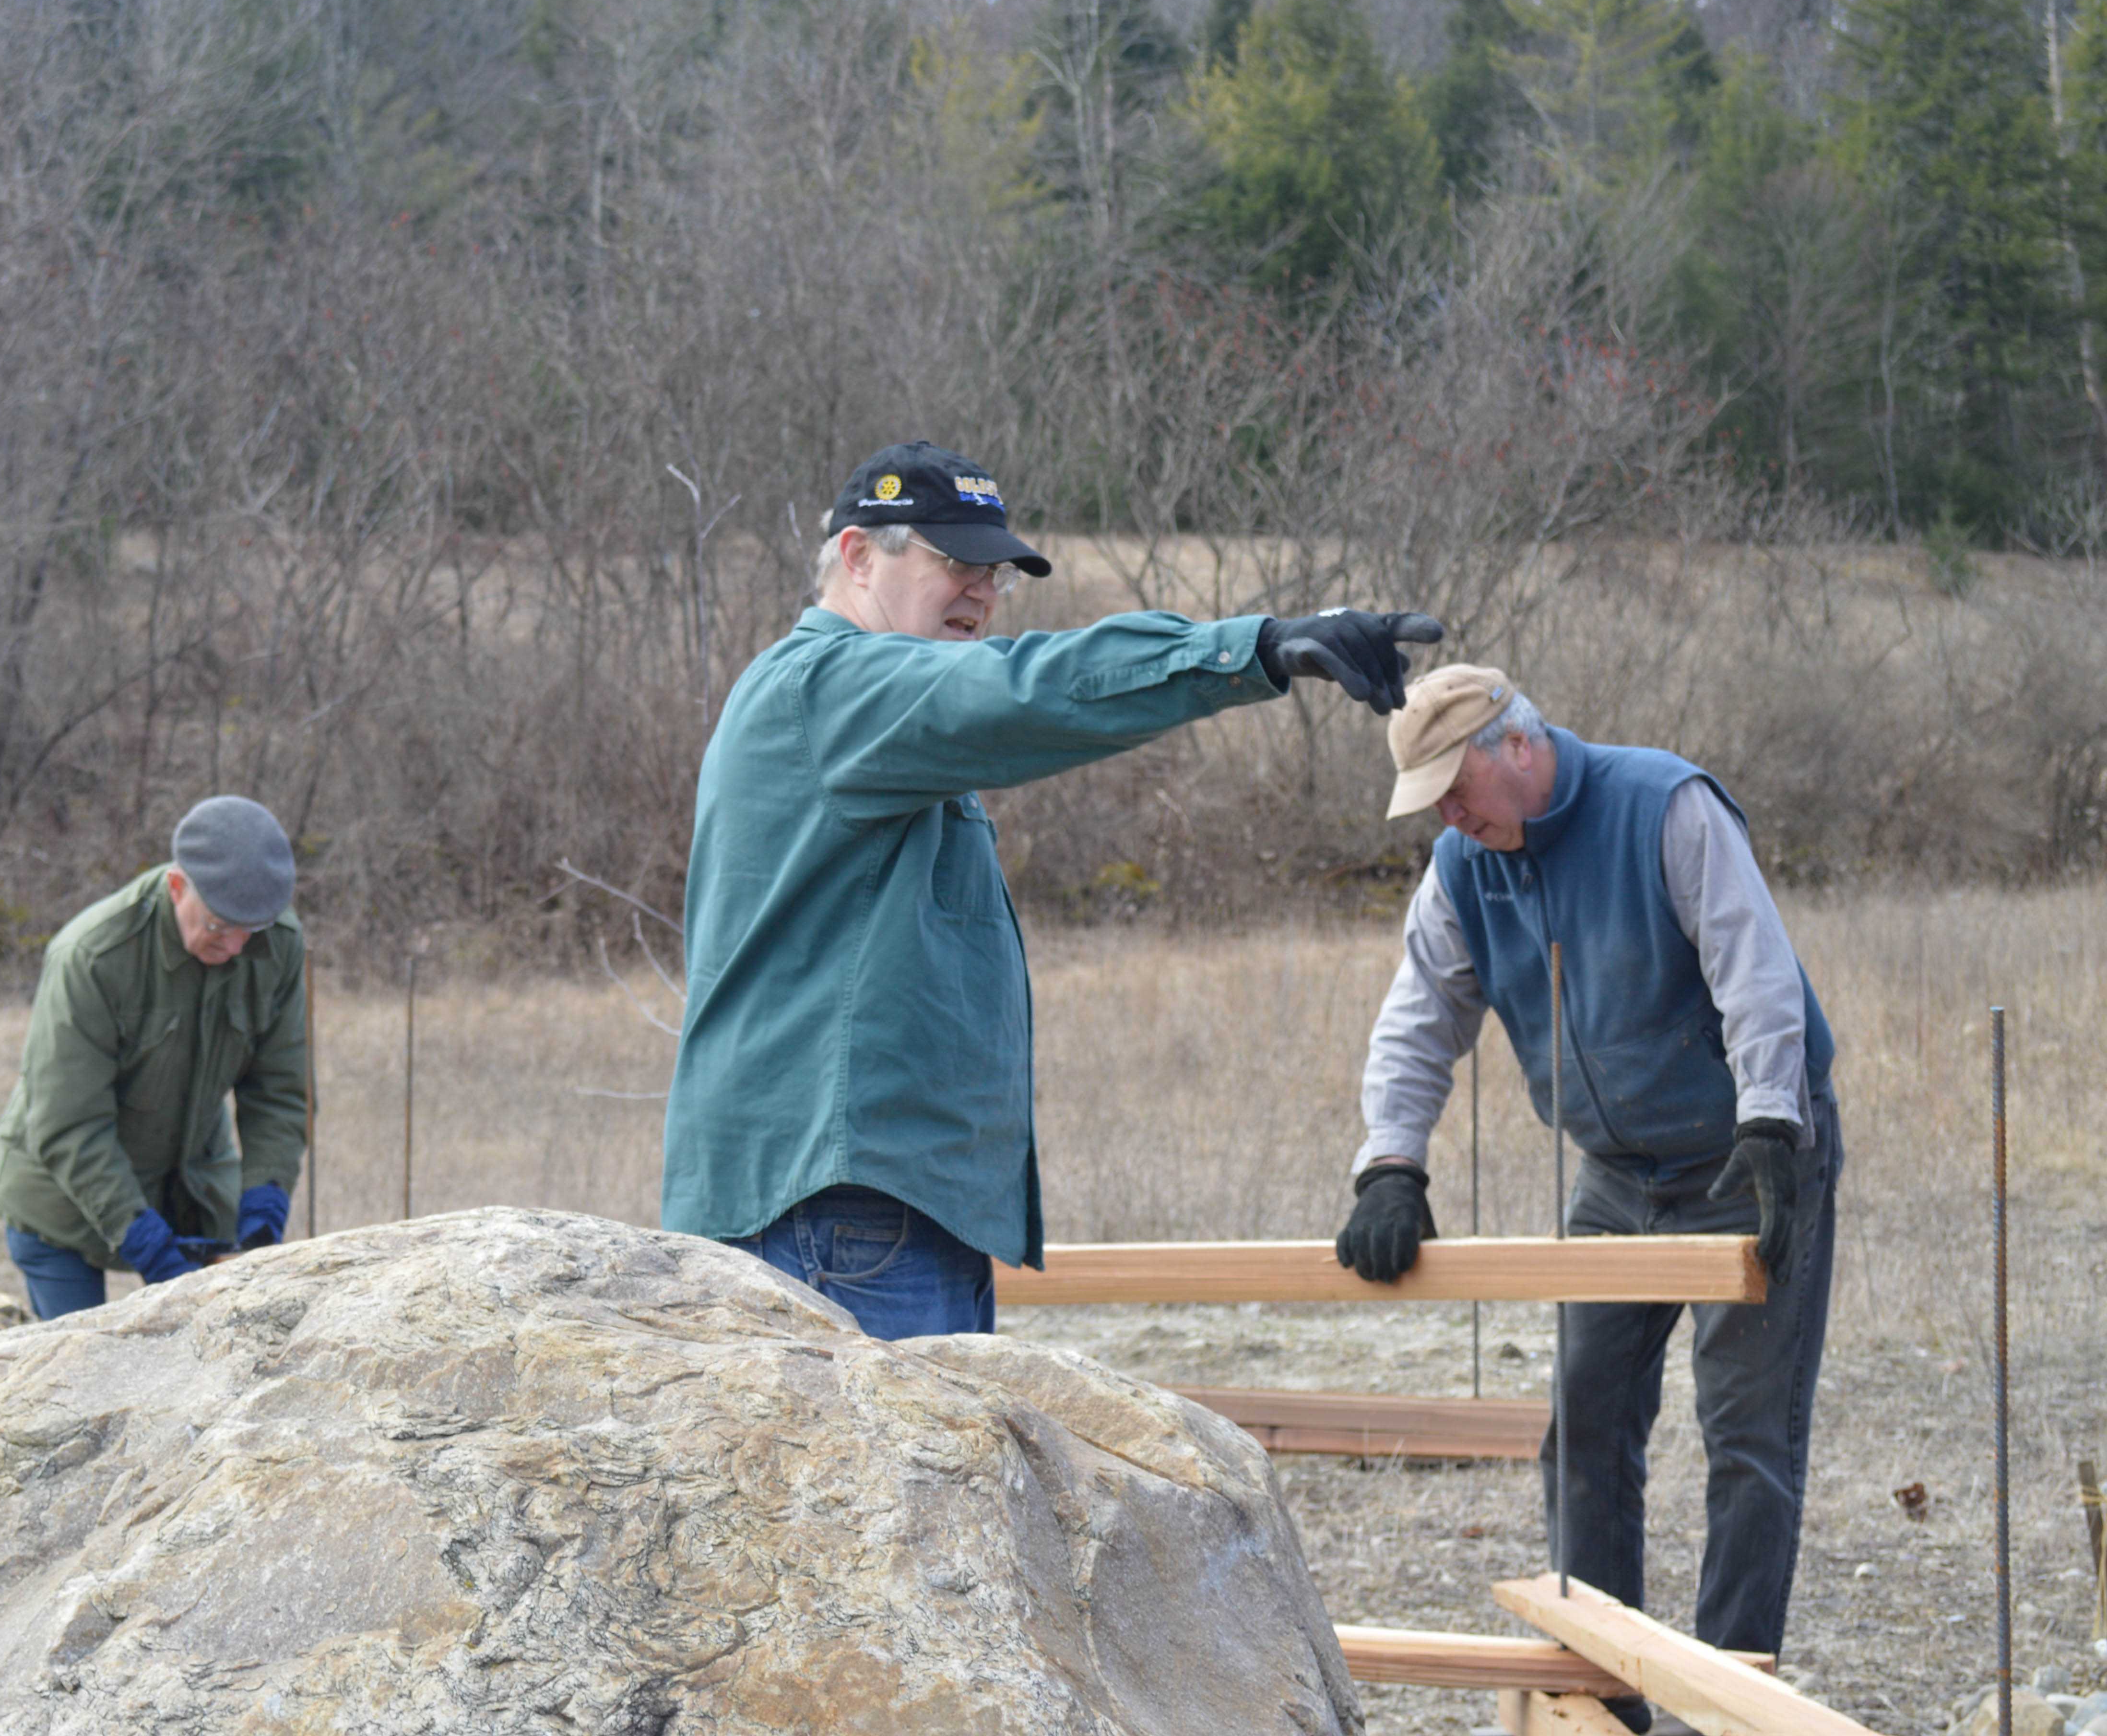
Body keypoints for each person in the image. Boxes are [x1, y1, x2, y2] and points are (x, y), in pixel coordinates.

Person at [663, 439, 1442, 1340]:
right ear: (858, 555)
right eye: (957, 563)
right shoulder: (829, 688)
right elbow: (1024, 690)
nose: (983, 593)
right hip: (840, 1220)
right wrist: (1253, 650)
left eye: (997, 573)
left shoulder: (867, 716)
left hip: (877, 1215)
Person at [1332, 665, 1839, 1724]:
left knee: (1746, 1439)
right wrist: (1390, 1164)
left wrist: (1769, 1119)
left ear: (1516, 745)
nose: (1448, 815)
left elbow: (1752, 968)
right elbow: (1417, 1019)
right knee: (1585, 1424)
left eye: (1454, 788)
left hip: (1745, 1156)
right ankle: (1601, 1699)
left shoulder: (1663, 808)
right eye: (1431, 801)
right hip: (1616, 1176)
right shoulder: (1462, 865)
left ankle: (1724, 1702)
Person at [0, 795, 311, 1320]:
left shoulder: (275, 943)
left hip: (189, 1184)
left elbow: (279, 1090)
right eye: (219, 925)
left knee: (222, 1345)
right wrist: (146, 1244)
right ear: (177, 886)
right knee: (78, 1361)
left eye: (249, 930)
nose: (235, 946)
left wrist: (266, 1197)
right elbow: (69, 1123)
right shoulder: (92, 957)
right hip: (61, 1192)